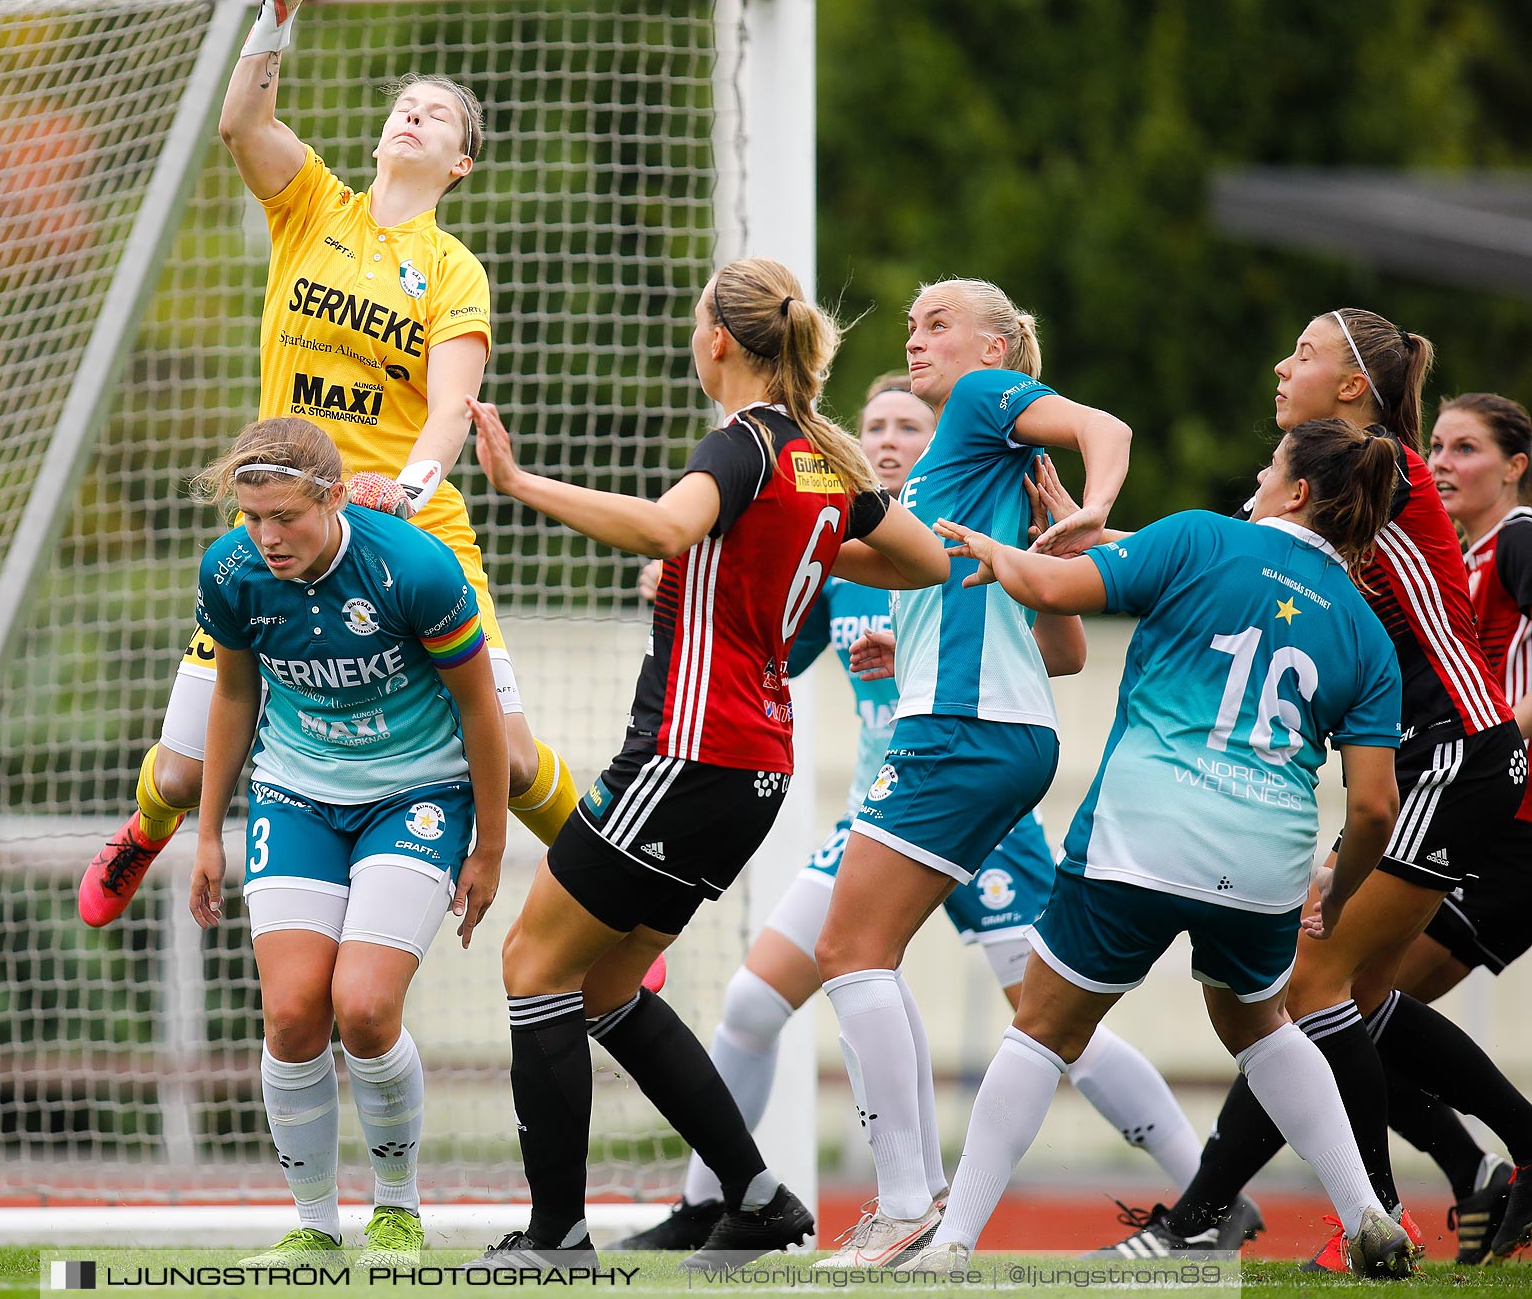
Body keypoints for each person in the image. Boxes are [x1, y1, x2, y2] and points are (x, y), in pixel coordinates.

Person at [615, 379, 1210, 1257]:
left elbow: (1064, 647)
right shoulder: (846, 554)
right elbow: (763, 643)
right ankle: (721, 1202)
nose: (890, 439)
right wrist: (689, 577)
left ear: (937, 447)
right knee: (757, 1000)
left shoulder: (970, 522)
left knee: (1050, 1022)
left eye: (909, 427)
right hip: (884, 801)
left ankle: (1205, 1193)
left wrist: (1062, 543)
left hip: (976, 799)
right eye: (875, 426)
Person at [454, 258, 955, 1274]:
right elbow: (925, 562)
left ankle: (556, 1240)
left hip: (688, 754)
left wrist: (516, 483)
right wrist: (794, 554)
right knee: (602, 988)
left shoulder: (742, 443)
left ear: (717, 340)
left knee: (530, 964)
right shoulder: (820, 457)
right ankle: (758, 1196)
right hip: (754, 770)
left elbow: (664, 525)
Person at [80, 0, 579, 928]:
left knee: (515, 759)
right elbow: (242, 122)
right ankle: (139, 837)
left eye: (436, 113)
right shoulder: (314, 205)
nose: (411, 114)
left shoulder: (453, 270)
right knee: (180, 777)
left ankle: (607, 891)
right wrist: (282, 5)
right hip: (281, 515)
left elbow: (447, 405)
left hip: (408, 524)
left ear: (460, 161)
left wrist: (411, 484)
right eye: (404, 104)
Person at [1071, 311, 1532, 1271]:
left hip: (1456, 754)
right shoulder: (1362, 478)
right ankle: (1430, 1182)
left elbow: (1227, 550)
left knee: (1311, 989)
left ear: (1355, 387)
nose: (1284, 365)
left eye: (1307, 352)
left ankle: (1363, 1220)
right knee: (1346, 997)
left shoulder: (1382, 468)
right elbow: (1226, 559)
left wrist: (1071, 549)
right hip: (1444, 759)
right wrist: (1089, 542)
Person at [909, 420, 1414, 1278]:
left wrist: (991, 550)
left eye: (1271, 463)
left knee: (1040, 1028)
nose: (1256, 471)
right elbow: (1374, 804)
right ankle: (1368, 1210)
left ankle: (951, 1243)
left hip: (1142, 839)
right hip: (1268, 863)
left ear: (1295, 492)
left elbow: (1058, 589)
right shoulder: (1367, 634)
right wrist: (1335, 886)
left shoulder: (1199, 537)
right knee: (1261, 1026)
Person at [808, 279, 1134, 1268]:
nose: (914, 340)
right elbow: (1065, 653)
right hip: (985, 727)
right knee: (880, 958)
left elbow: (1104, 425)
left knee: (845, 951)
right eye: (910, 327)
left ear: (993, 347)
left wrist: (1093, 516)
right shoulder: (972, 462)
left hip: (961, 733)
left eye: (934, 325)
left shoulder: (987, 400)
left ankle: (905, 1203)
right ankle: (913, 1201)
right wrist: (903, 650)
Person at [183, 417, 508, 1267]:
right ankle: (314, 1227)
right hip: (295, 795)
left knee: (363, 1010)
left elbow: (480, 710)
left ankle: (396, 1209)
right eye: (252, 519)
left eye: (284, 516)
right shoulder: (231, 572)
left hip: (417, 796)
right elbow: (232, 698)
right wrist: (210, 831)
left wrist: (493, 844)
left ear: (332, 498)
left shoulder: (415, 568)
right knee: (292, 1015)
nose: (266, 537)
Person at [1382, 393, 1532, 1260]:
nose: (1441, 461)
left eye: (1465, 447)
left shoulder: (1518, 540)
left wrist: (1493, 737)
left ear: (1516, 465)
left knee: (1332, 1001)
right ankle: (1473, 1168)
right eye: (1434, 444)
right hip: (1479, 812)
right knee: (1333, 1007)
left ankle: (1203, 1213)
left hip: (1516, 826)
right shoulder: (1457, 558)